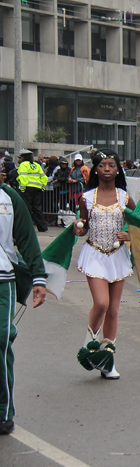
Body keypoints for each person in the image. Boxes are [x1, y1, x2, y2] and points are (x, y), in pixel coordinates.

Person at [73, 150, 136, 380]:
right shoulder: (86, 197)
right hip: (94, 254)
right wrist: (78, 228)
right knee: (101, 303)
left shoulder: (125, 197)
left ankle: (107, 360)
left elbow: (138, 223)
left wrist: (129, 234)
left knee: (113, 310)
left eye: (111, 165)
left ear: (118, 169)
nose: (107, 168)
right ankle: (89, 346)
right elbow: (83, 227)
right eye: (102, 165)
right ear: (96, 169)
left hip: (117, 256)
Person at [0, 164, 47, 435]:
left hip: (3, 279)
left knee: (2, 337)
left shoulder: (9, 197)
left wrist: (38, 277)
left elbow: (27, 238)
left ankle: (3, 411)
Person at [17, 149, 48, 232]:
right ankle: (42, 227)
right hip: (37, 188)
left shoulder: (23, 164)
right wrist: (42, 187)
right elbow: (44, 177)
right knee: (37, 208)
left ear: (23, 157)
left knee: (26, 208)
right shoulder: (36, 165)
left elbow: (23, 176)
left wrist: (22, 188)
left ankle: (27, 227)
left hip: (27, 188)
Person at [52, 157, 72, 224]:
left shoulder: (69, 170)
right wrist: (57, 180)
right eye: (62, 164)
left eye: (65, 164)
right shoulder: (58, 171)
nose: (64, 165)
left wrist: (59, 180)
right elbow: (55, 177)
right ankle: (61, 220)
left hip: (68, 190)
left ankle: (68, 220)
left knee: (69, 206)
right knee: (61, 207)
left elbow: (67, 178)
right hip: (60, 191)